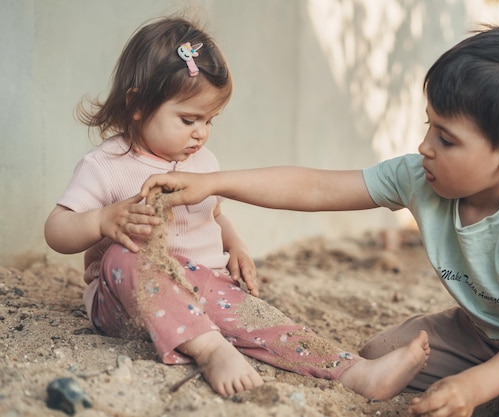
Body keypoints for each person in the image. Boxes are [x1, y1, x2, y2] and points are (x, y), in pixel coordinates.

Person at [139, 24, 499, 417]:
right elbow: (315, 187)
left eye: (447, 138)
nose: (425, 146)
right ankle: (498, 387)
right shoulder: (421, 177)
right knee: (376, 356)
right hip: (485, 329)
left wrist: (473, 386)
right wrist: (215, 183)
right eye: (428, 125)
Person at [44, 15, 430, 400]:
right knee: (122, 254)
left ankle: (356, 372)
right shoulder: (107, 165)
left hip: (207, 288)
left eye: (210, 120)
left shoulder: (204, 163)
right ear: (137, 105)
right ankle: (211, 350)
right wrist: (101, 220)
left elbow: (214, 216)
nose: (201, 132)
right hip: (127, 302)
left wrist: (237, 246)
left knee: (265, 322)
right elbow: (57, 230)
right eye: (189, 119)